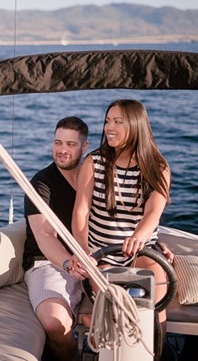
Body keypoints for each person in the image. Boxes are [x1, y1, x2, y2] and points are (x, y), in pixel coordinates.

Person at [69, 99, 171, 342]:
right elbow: (81, 211)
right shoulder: (94, 162)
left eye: (117, 122)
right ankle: (100, 333)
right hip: (103, 253)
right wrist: (84, 251)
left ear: (135, 125)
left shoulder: (158, 167)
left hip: (143, 251)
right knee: (113, 301)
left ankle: (153, 354)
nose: (108, 127)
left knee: (155, 302)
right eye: (107, 121)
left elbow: (153, 213)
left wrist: (137, 238)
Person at [23, 116, 89, 361]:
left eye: (70, 145)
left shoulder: (94, 179)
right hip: (49, 263)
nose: (62, 150)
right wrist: (68, 263)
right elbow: (45, 235)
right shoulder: (41, 184)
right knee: (54, 324)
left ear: (84, 147)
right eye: (57, 142)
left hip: (94, 257)